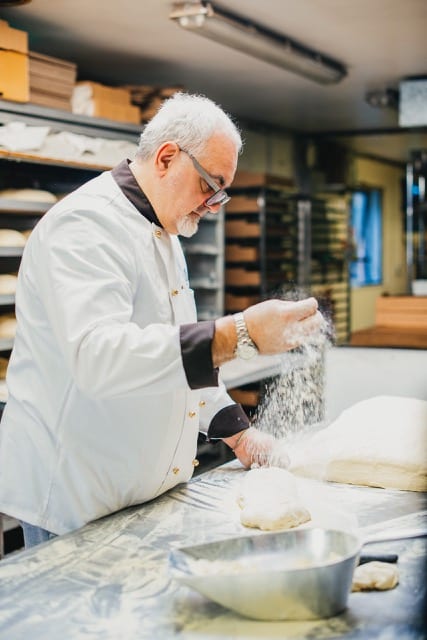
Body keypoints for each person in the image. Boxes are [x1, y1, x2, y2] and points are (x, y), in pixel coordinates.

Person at [0, 93, 322, 549]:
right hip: (76, 496)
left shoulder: (163, 232)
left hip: (134, 495)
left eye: (222, 193)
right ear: (167, 157)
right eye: (210, 185)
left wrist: (238, 432)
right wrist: (240, 334)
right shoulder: (85, 225)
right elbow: (100, 357)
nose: (214, 205)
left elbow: (170, 356)